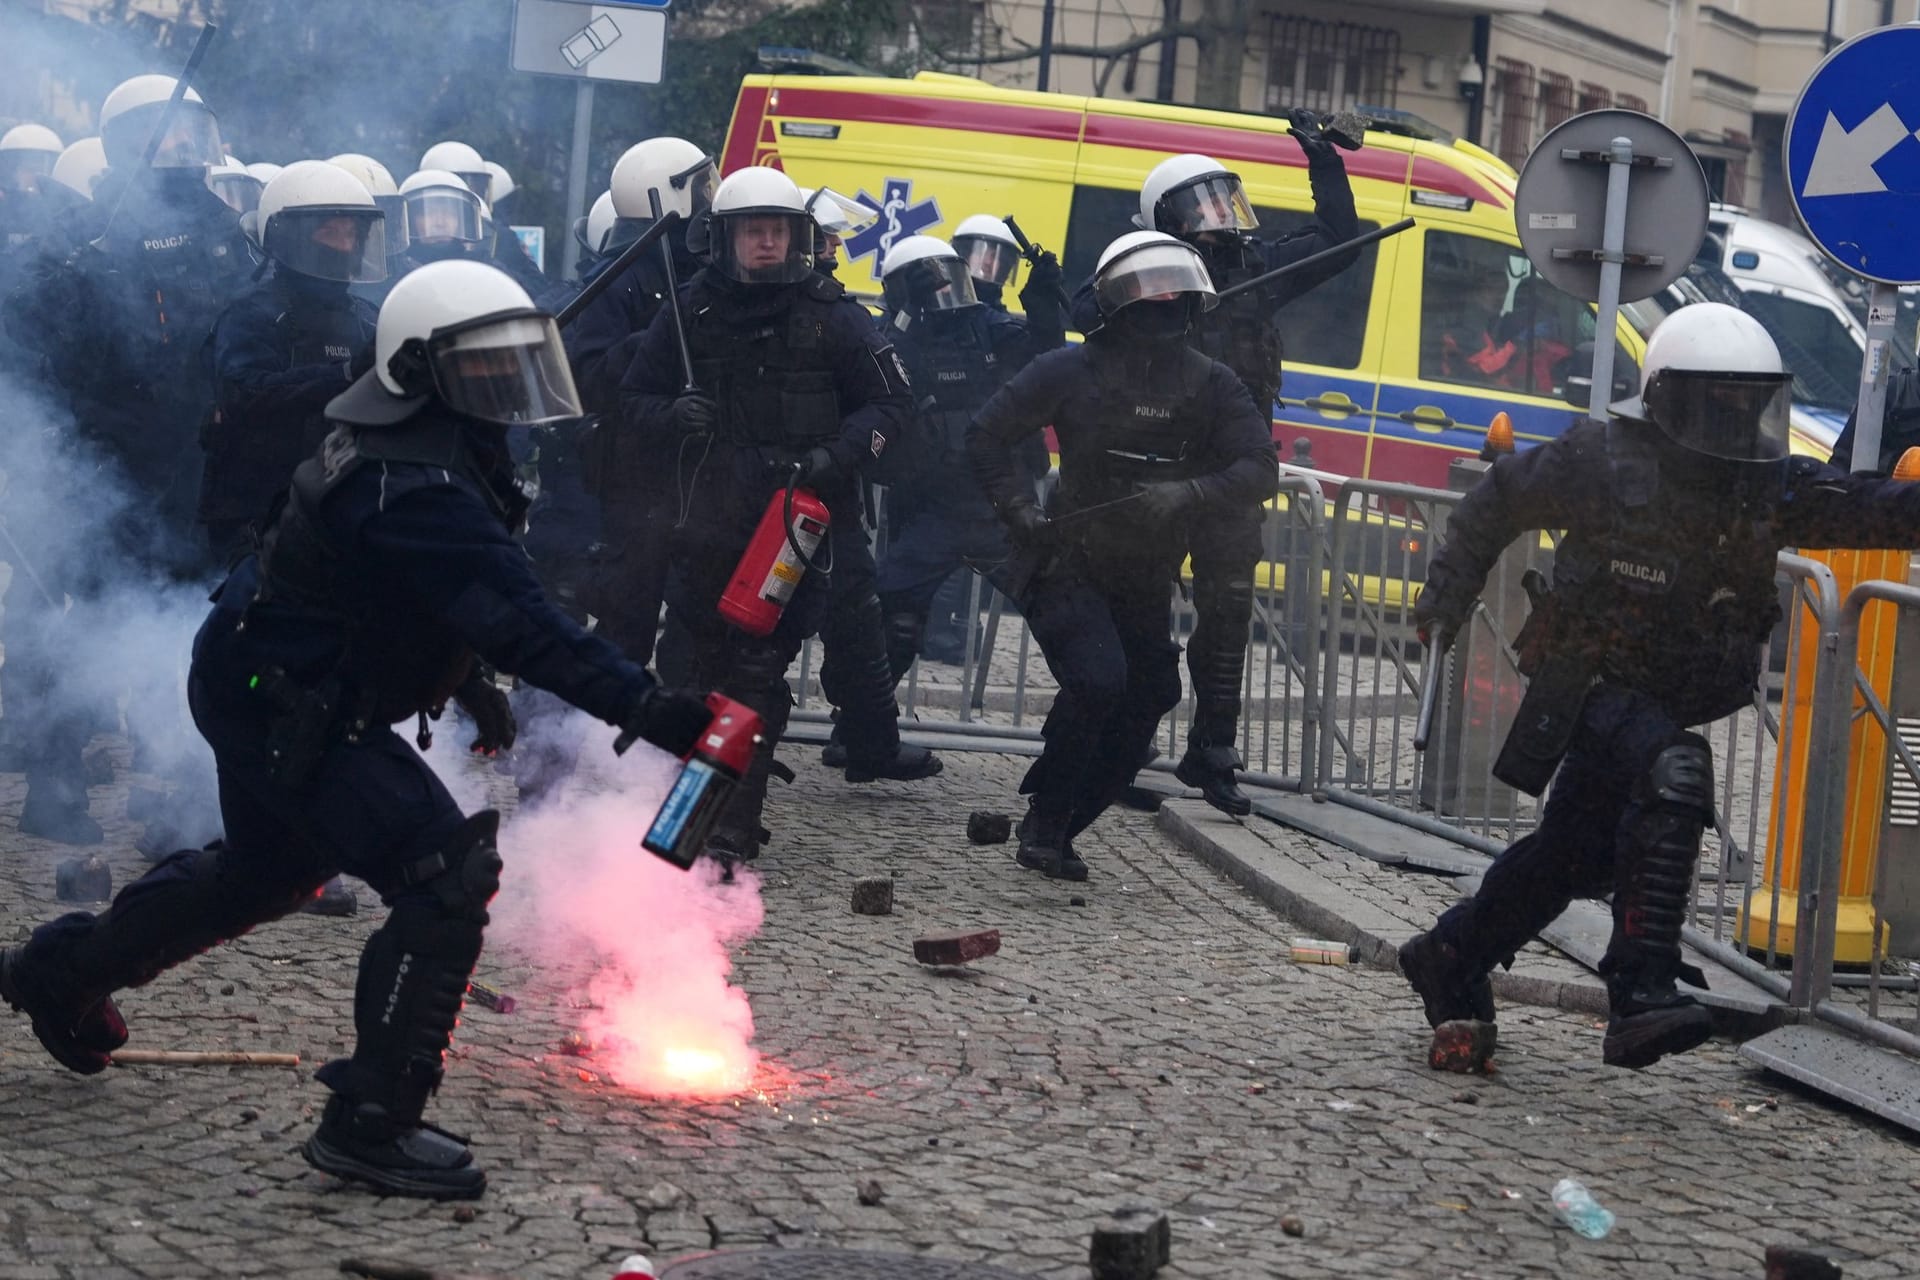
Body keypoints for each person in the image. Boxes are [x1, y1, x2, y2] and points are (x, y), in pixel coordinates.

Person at [0, 259, 718, 1198]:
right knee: (443, 873)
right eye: (488, 369)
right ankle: (371, 1119)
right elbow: (523, 621)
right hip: (285, 697)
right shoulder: (408, 480)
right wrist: (654, 709)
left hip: (265, 679)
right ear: (422, 370)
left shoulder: (422, 441)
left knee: (261, 874)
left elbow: (410, 595)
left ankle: (58, 977)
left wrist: (468, 686)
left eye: (517, 364)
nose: (510, 390)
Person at [1401, 302, 1920, 1073]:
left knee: (1573, 853)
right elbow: (1497, 499)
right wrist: (1442, 599)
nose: (1733, 416)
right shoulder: (1600, 461)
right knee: (1673, 770)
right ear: (1670, 397)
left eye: (1748, 402)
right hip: (1588, 675)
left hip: (1673, 686)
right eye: (1717, 399)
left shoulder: (1763, 484)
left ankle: (1450, 951)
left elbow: (1869, 509)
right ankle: (1640, 990)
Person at [618, 166, 938, 867]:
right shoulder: (688, 313)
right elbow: (626, 406)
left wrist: (837, 454)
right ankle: (681, 817)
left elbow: (892, 406)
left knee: (756, 674)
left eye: (778, 230)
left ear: (797, 236)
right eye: (752, 231)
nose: (766, 244)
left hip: (796, 528)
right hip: (706, 527)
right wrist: (672, 414)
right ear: (725, 238)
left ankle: (722, 830)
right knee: (695, 677)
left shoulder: (833, 316)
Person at [968, 231, 1278, 880]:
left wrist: (1189, 493)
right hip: (1067, 560)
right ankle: (1048, 822)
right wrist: (1020, 510)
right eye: (1148, 296)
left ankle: (1061, 818)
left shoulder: (1210, 383)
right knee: (1098, 678)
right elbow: (986, 435)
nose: (1160, 308)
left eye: (1173, 297)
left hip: (1144, 572)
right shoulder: (1070, 369)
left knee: (1152, 691)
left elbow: (1259, 466)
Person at [4, 74, 251, 844]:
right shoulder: (87, 231)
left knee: (193, 629)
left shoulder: (224, 226)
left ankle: (178, 800)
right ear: (124, 144)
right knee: (82, 625)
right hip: (109, 466)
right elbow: (41, 346)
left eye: (192, 133)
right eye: (164, 134)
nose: (182, 149)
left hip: (200, 462)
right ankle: (53, 787)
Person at [1125, 119, 1359, 817]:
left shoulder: (1258, 273)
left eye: (1223, 201)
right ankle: (1119, 742)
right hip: (1158, 471)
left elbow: (1338, 241)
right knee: (1138, 613)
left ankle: (1213, 751)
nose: (1219, 220)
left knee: (1226, 615)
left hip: (1232, 475)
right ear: (1169, 220)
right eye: (1202, 206)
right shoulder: (1148, 274)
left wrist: (1324, 164)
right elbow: (1089, 317)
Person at [867, 234, 1056, 701]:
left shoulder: (982, 323)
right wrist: (909, 312)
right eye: (928, 284)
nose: (943, 293)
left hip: (996, 503)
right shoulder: (893, 333)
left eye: (948, 278)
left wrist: (1044, 307)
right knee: (897, 618)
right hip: (928, 503)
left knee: (1057, 607)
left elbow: (1043, 356)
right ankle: (861, 725)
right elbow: (880, 365)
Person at [572, 137, 716, 667]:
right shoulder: (618, 280)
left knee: (697, 618)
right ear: (668, 194)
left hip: (696, 473)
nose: (711, 196)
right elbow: (588, 376)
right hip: (635, 475)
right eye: (702, 185)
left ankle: (674, 736)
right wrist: (654, 339)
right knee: (625, 616)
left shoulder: (698, 271)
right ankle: (602, 738)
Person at [201, 160, 383, 561]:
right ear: (288, 236)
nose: (344, 244)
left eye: (351, 232)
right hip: (258, 512)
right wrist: (345, 376)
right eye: (329, 231)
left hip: (344, 507)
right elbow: (244, 393)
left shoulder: (368, 318)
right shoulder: (251, 316)